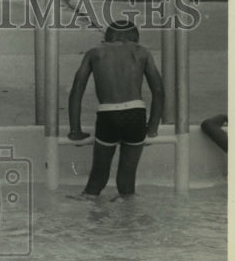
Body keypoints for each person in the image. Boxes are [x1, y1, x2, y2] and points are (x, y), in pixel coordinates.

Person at [67, 19, 164, 197]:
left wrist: (75, 130)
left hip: (108, 115)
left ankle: (90, 204)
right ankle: (128, 215)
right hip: (136, 113)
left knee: (98, 177)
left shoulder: (95, 53)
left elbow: (76, 92)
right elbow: (158, 91)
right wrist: (152, 128)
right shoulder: (142, 53)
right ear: (135, 39)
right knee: (127, 180)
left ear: (107, 38)